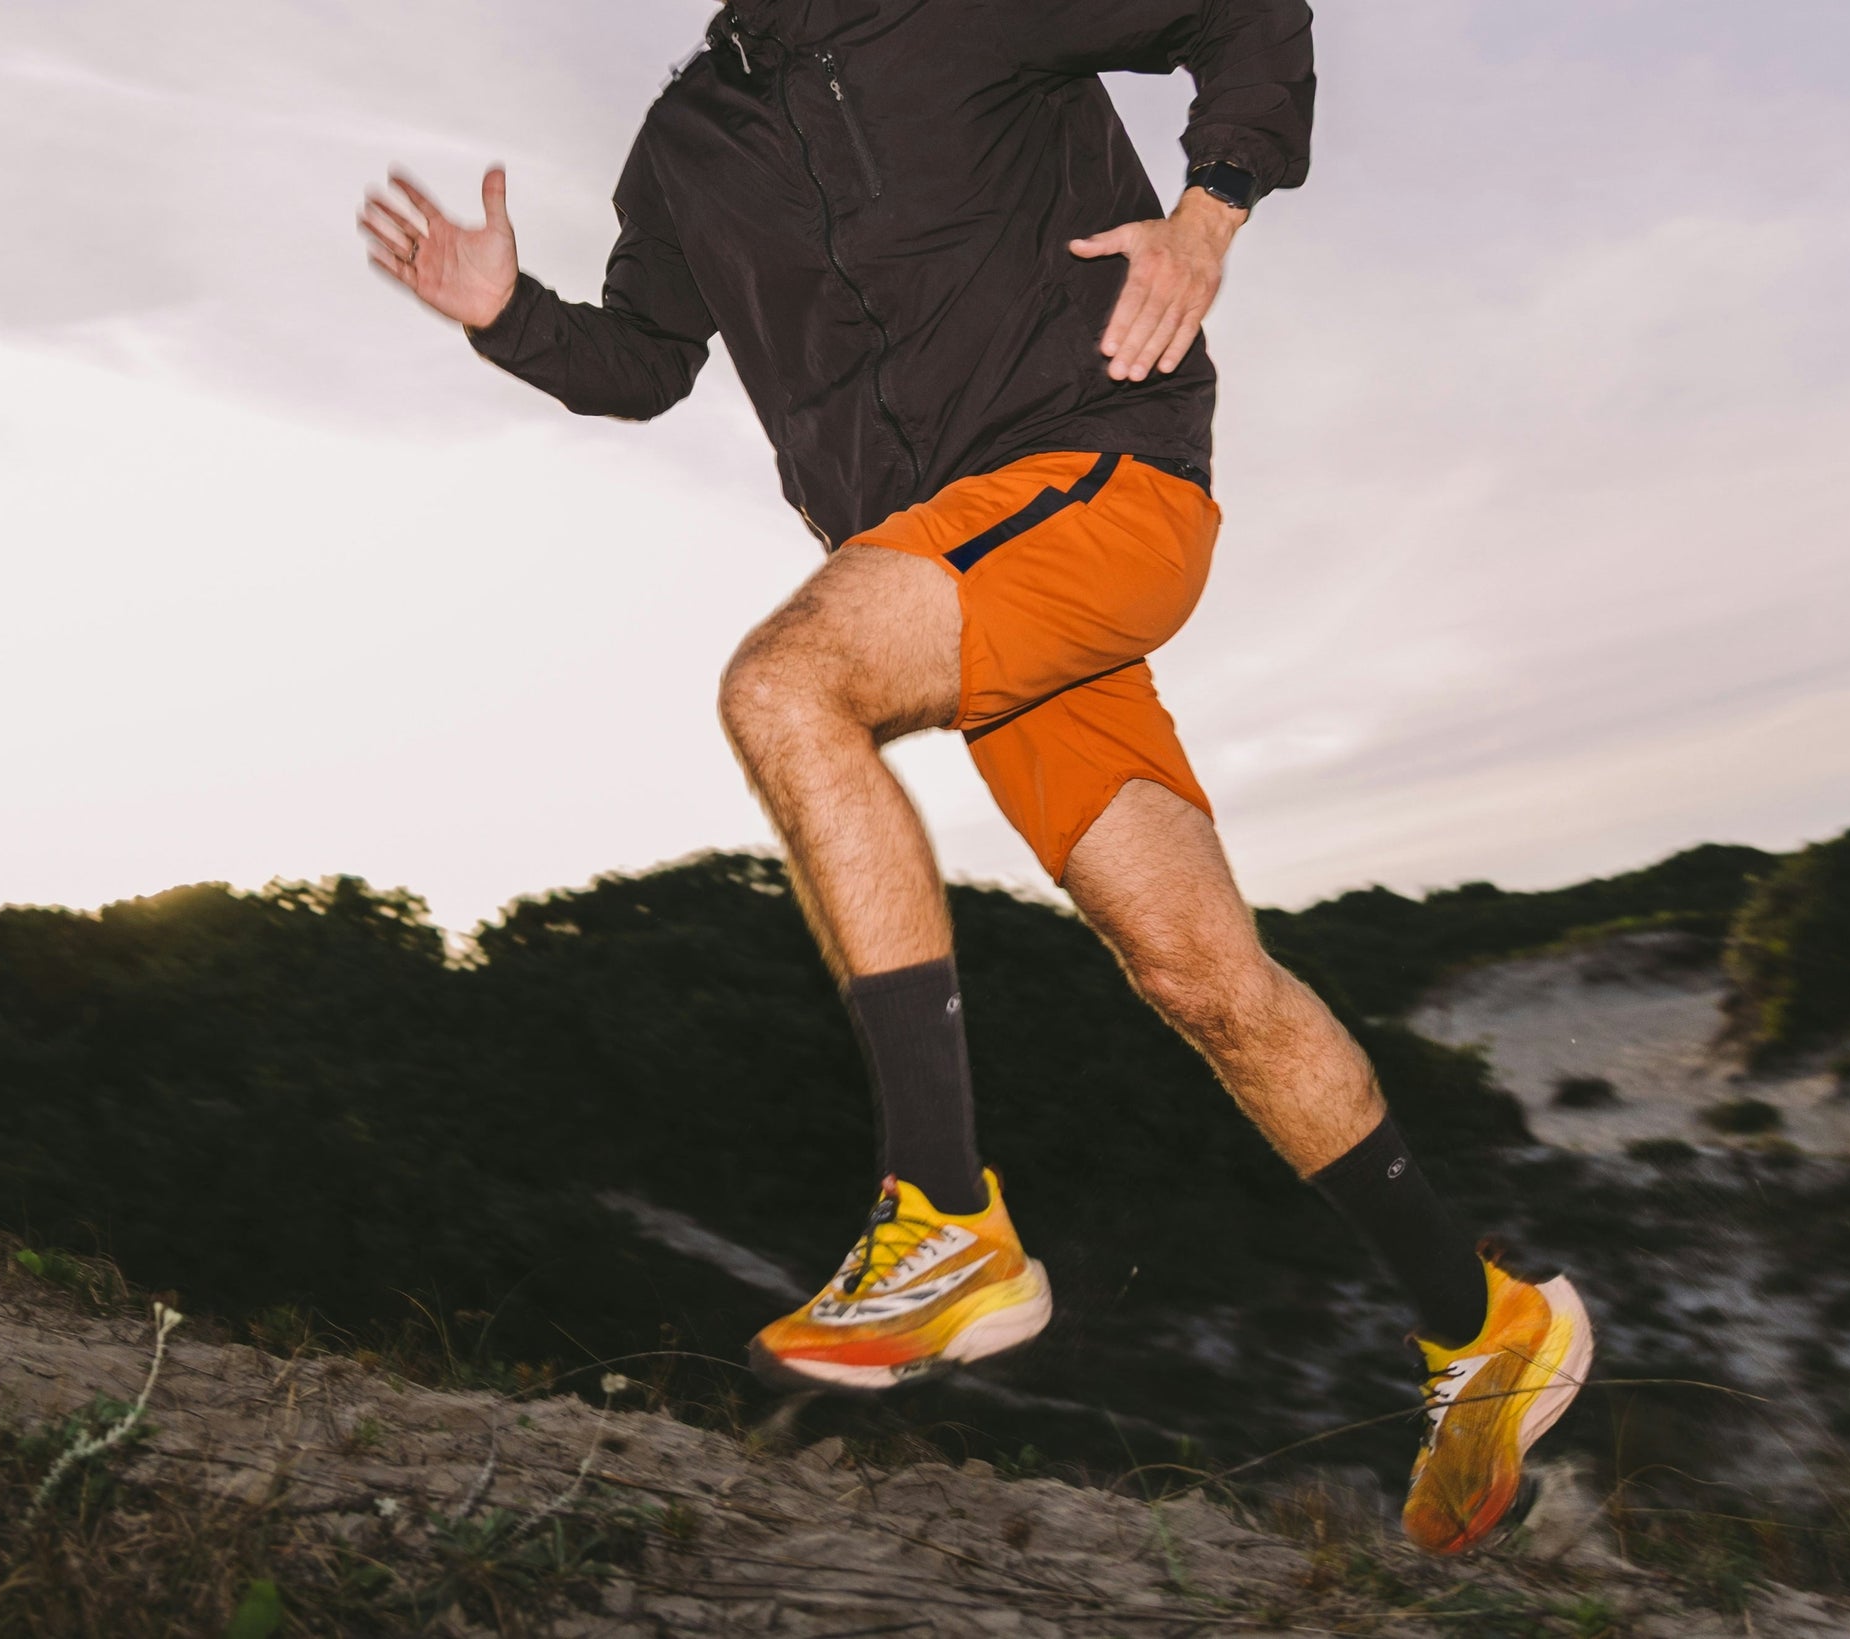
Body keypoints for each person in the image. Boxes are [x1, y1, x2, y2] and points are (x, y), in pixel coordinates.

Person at [361, 0, 1587, 1553]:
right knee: (1202, 977)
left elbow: (1246, 15)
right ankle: (1483, 1325)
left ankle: (942, 1216)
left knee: (787, 683)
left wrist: (1209, 214)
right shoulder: (684, 148)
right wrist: (503, 314)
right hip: (968, 582)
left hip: (1094, 476)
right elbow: (647, 360)